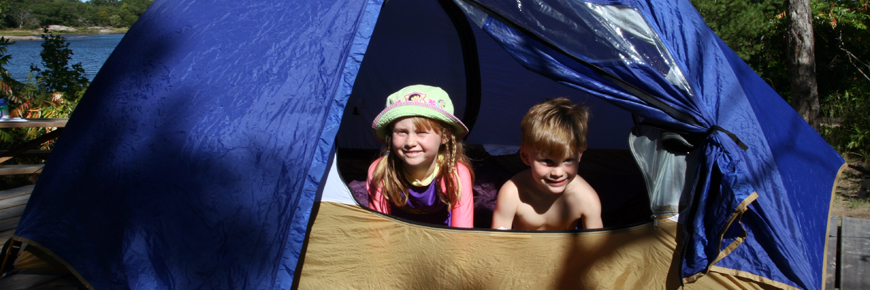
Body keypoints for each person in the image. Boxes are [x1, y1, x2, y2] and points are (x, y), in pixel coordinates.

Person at [366, 84, 475, 228]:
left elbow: (462, 233)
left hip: (443, 239)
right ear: (390, 136)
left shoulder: (455, 174)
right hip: (396, 238)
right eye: (401, 132)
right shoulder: (380, 171)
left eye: (421, 132)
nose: (410, 142)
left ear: (445, 136)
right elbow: (377, 229)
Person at [492, 98, 602, 230]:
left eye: (568, 160)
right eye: (547, 161)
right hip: (521, 249)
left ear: (580, 155)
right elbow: (499, 242)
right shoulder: (512, 193)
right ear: (525, 157)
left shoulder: (586, 198)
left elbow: (596, 247)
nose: (558, 173)